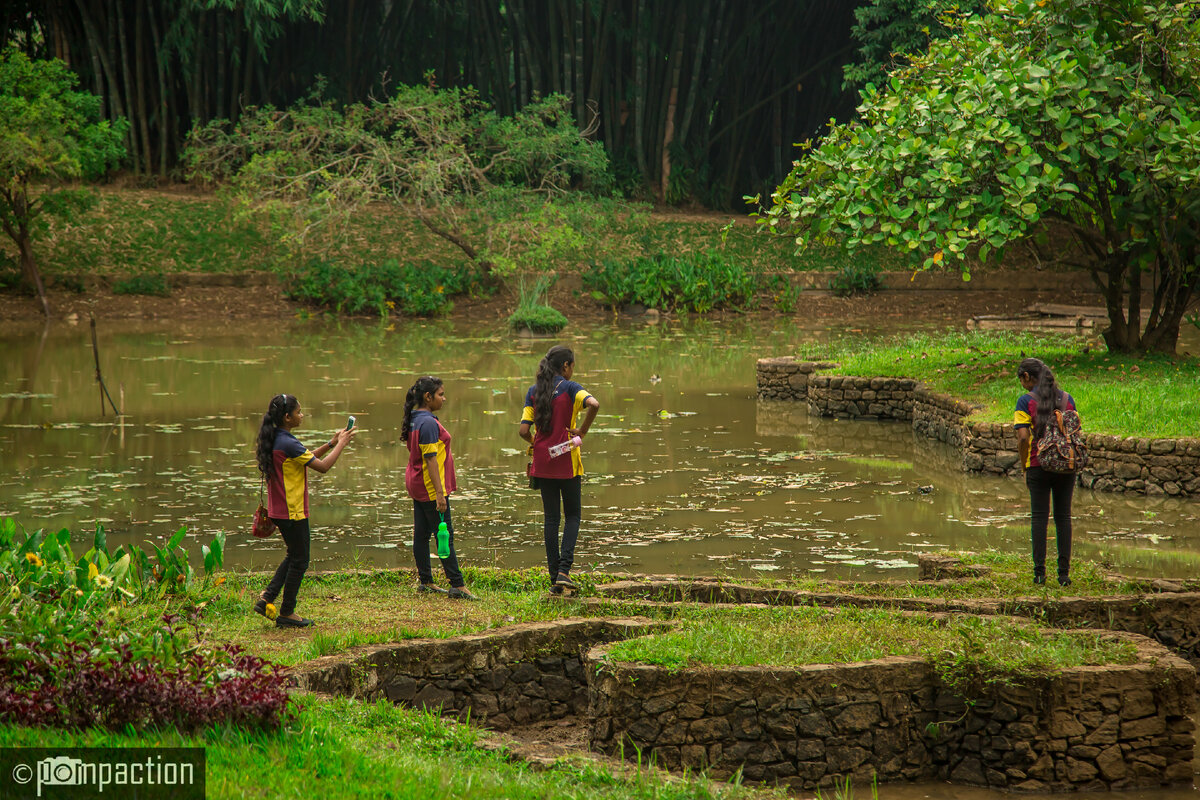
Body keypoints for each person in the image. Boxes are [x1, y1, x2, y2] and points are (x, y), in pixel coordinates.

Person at [254, 393, 355, 628]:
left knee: (293, 555)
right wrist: (342, 443)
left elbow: (306, 458)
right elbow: (323, 467)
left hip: (280, 511)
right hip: (293, 511)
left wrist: (331, 442)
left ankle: (267, 598)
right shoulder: (287, 441)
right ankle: (287, 612)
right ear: (287, 417)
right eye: (299, 412)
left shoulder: (277, 438)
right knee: (300, 560)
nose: (302, 415)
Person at [519, 345, 600, 594]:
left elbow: (523, 431)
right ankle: (565, 570)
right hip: (567, 460)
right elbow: (594, 404)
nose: (573, 370)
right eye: (572, 365)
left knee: (551, 519)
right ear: (565, 366)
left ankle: (555, 577)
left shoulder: (534, 391)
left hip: (543, 463)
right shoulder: (570, 388)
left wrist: (539, 445)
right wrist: (583, 431)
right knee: (573, 515)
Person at [403, 376, 476, 600]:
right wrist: (439, 494)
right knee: (445, 535)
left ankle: (426, 581)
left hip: (416, 482)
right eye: (441, 394)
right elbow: (431, 460)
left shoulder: (416, 419)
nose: (444, 399)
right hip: (428, 486)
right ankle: (457, 585)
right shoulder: (428, 423)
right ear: (428, 397)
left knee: (422, 534)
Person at [1014, 357, 1077, 587]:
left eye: (1021, 380)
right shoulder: (1068, 399)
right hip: (1065, 465)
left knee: (1039, 518)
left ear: (1027, 377)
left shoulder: (1024, 401)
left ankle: (1039, 574)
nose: (1022, 385)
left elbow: (1023, 438)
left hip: (1037, 465)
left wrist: (1024, 466)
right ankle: (1064, 575)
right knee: (1063, 517)